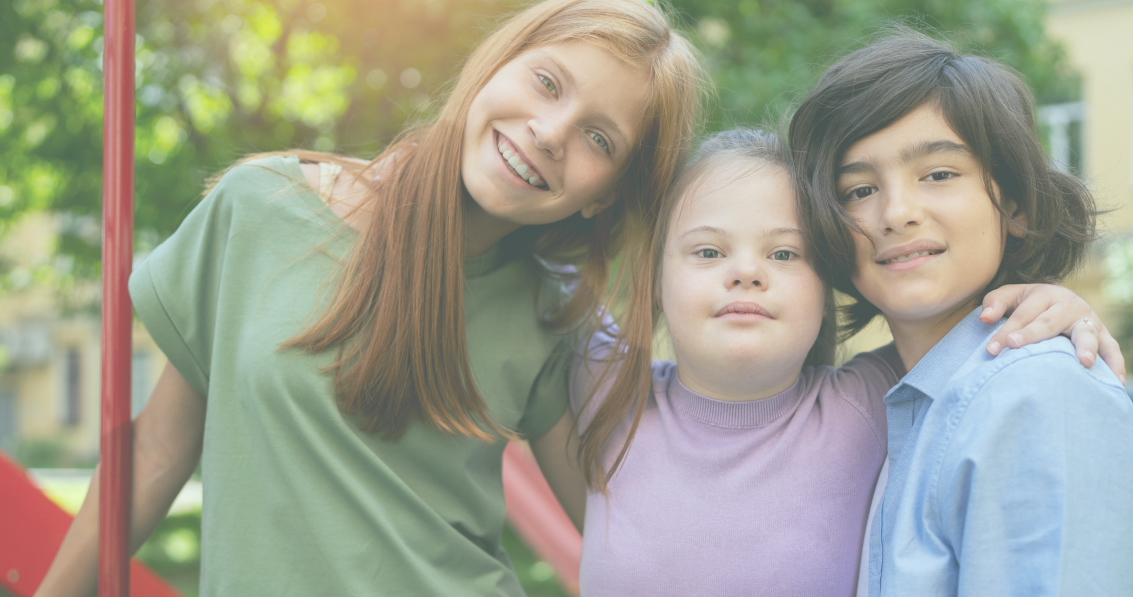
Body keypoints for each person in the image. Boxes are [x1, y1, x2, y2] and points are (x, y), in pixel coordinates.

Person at [35, 1, 705, 595]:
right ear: (494, 64)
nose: (551, 130)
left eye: (599, 137)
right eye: (547, 81)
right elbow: (153, 452)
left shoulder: (560, 317)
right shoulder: (263, 208)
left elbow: (629, 541)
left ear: (607, 194)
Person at [566, 130, 1127, 596]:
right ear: (654, 281)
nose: (745, 272)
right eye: (708, 251)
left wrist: (1048, 301)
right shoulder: (605, 387)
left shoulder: (872, 400)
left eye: (785, 253)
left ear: (828, 283)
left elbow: (961, 333)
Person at [789, 30, 1133, 596]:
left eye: (938, 174)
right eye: (858, 190)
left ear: (1012, 202)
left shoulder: (1036, 394)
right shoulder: (905, 395)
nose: (896, 213)